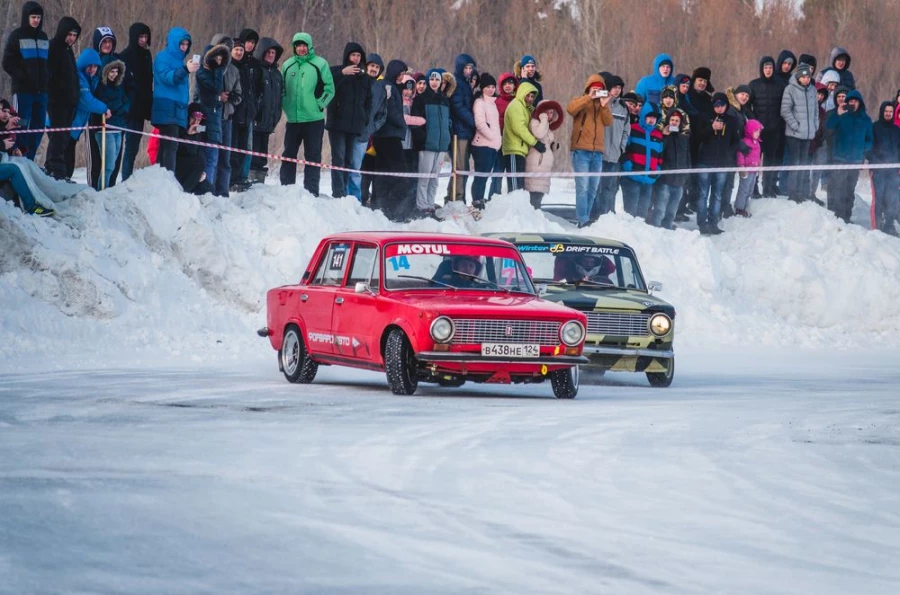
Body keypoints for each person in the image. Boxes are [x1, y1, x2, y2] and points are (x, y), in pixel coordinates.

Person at [280, 32, 334, 196]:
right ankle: (286, 189)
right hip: (293, 120)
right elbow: (281, 89)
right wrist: (286, 105)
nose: (301, 48)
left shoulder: (320, 64)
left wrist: (319, 104)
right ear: (294, 47)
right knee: (289, 154)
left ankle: (311, 191)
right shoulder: (287, 65)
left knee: (313, 156)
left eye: (304, 45)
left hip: (314, 120)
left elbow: (329, 88)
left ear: (309, 46)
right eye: (298, 45)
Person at [2, 1, 49, 160]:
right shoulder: (17, 36)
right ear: (26, 17)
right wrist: (22, 75)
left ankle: (29, 159)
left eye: (38, 17)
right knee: (21, 125)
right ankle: (18, 159)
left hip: (41, 92)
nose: (36, 20)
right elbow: (7, 62)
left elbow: (47, 63)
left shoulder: (44, 37)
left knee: (38, 127)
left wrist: (46, 79)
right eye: (33, 17)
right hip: (23, 91)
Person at [567, 74, 613, 227]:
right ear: (588, 88)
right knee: (583, 187)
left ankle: (585, 217)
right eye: (595, 88)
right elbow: (570, 109)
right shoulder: (580, 100)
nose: (597, 92)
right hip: (581, 151)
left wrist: (605, 104)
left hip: (597, 153)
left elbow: (608, 122)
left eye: (600, 89)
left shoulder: (602, 106)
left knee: (593, 188)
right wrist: (588, 97)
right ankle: (583, 219)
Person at [327, 42, 372, 198]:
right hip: (337, 124)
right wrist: (342, 73)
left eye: (359, 55)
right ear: (347, 56)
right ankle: (338, 193)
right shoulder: (336, 71)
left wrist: (364, 118)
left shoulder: (364, 78)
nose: (356, 58)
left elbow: (368, 101)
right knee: (338, 158)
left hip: (354, 125)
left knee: (348, 160)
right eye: (353, 55)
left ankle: (344, 192)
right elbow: (326, 87)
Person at [152, 27, 199, 172]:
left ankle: (161, 177)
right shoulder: (162, 57)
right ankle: (168, 179)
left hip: (178, 108)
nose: (184, 48)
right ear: (174, 43)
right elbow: (168, 78)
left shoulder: (180, 61)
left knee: (168, 145)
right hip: (166, 106)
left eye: (186, 44)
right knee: (170, 146)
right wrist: (185, 70)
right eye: (182, 44)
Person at [695, 93, 742, 234]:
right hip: (705, 162)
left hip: (722, 163)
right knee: (703, 194)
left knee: (717, 195)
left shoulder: (732, 121)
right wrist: (712, 128)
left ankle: (713, 222)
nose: (719, 108)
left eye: (722, 105)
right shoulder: (704, 117)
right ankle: (702, 224)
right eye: (716, 105)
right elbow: (697, 137)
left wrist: (728, 154)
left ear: (726, 105)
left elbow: (736, 141)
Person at [411, 69, 453, 219]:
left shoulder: (444, 100)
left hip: (441, 145)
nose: (435, 82)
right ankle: (421, 206)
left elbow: (448, 122)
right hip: (427, 145)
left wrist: (447, 138)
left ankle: (430, 204)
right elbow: (415, 123)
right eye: (432, 79)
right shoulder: (421, 99)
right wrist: (422, 139)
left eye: (437, 79)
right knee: (424, 177)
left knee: (434, 178)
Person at [826, 90, 872, 223]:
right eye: (850, 101)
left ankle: (846, 217)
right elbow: (828, 129)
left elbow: (870, 139)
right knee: (838, 188)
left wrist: (864, 149)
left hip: (856, 160)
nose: (852, 104)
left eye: (855, 101)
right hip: (840, 158)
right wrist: (838, 115)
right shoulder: (841, 116)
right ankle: (837, 217)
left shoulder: (866, 120)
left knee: (849, 190)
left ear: (859, 103)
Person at [43, 16, 80, 182]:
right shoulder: (54, 47)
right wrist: (60, 91)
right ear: (63, 32)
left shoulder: (68, 50)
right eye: (70, 34)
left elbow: (73, 75)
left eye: (75, 35)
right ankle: (55, 169)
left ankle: (57, 169)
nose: (72, 38)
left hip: (69, 102)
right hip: (57, 101)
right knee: (58, 137)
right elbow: (50, 75)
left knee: (64, 137)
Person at [370, 59, 408, 220]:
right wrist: (403, 123)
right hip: (388, 136)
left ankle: (381, 206)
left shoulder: (392, 86)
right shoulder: (388, 86)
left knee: (383, 171)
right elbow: (391, 112)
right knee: (398, 172)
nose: (402, 77)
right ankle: (391, 207)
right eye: (401, 74)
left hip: (386, 135)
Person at [192, 41, 231, 193]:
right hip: (204, 122)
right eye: (216, 58)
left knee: (213, 159)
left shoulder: (216, 74)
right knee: (206, 158)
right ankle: (205, 189)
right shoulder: (203, 73)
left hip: (215, 123)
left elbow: (217, 94)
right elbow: (214, 89)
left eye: (221, 59)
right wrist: (220, 70)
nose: (218, 62)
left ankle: (209, 188)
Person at [780, 63, 819, 203]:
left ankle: (801, 193)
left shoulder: (813, 90)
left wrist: (815, 126)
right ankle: (793, 193)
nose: (807, 79)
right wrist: (795, 125)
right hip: (794, 135)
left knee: (804, 164)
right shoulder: (790, 89)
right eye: (804, 77)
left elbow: (816, 111)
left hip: (808, 134)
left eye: (808, 77)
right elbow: (785, 110)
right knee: (795, 163)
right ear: (798, 77)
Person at [119, 22, 153, 181]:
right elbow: (122, 84)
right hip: (127, 109)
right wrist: (126, 104)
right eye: (140, 36)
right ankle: (123, 178)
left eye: (146, 37)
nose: (143, 40)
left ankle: (127, 178)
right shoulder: (125, 55)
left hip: (141, 109)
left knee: (133, 148)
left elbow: (148, 83)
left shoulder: (147, 55)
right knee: (121, 147)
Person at [69, 49, 110, 180]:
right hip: (69, 125)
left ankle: (65, 179)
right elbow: (86, 101)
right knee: (64, 158)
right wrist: (104, 108)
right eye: (89, 66)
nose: (92, 69)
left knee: (69, 156)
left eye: (95, 66)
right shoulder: (79, 78)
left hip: (75, 127)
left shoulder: (91, 80)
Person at [592, 72, 628, 219]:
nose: (617, 90)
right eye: (614, 87)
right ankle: (594, 216)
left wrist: (622, 148)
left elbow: (626, 130)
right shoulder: (601, 103)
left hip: (614, 156)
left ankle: (607, 217)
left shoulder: (623, 108)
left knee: (610, 188)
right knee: (596, 187)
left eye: (619, 87)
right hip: (599, 153)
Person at [749, 56, 786, 198]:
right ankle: (753, 188)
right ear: (761, 69)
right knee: (755, 160)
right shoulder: (754, 84)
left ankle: (768, 187)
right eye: (765, 67)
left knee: (771, 160)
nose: (768, 70)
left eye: (770, 67)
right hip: (757, 132)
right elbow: (747, 105)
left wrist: (780, 123)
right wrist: (753, 122)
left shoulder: (780, 85)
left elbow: (785, 105)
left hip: (775, 130)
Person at [249, 37, 284, 184]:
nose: (271, 55)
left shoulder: (277, 74)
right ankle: (250, 180)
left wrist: (276, 116)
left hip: (268, 122)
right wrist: (255, 114)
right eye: (268, 52)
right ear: (262, 53)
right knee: (252, 153)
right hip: (256, 120)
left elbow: (279, 98)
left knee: (263, 154)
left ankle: (259, 182)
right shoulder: (257, 70)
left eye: (273, 53)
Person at [620, 103, 663, 220]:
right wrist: (628, 166)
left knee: (642, 215)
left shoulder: (658, 135)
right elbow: (623, 149)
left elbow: (660, 156)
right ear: (643, 116)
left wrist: (657, 171)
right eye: (649, 116)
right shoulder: (632, 129)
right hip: (632, 178)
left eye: (654, 117)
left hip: (648, 180)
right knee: (630, 214)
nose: (651, 120)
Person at [650, 110, 691, 229]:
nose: (674, 123)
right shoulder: (660, 136)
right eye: (672, 120)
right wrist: (664, 136)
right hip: (664, 180)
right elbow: (658, 153)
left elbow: (688, 158)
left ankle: (667, 230)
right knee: (660, 209)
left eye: (677, 121)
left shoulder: (684, 138)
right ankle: (655, 229)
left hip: (679, 181)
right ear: (668, 121)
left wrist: (686, 176)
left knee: (672, 211)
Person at [230, 29, 260, 189]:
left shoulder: (251, 65)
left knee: (246, 148)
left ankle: (241, 177)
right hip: (234, 112)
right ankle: (233, 178)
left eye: (252, 43)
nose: (247, 46)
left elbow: (255, 90)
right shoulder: (231, 66)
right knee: (233, 147)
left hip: (248, 111)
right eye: (239, 48)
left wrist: (255, 109)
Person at [92, 60, 129, 190]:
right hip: (104, 130)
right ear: (105, 71)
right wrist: (117, 107)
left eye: (116, 72)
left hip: (118, 129)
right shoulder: (100, 87)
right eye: (111, 71)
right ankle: (101, 192)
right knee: (108, 167)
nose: (114, 74)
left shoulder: (119, 87)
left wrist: (116, 109)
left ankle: (107, 191)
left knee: (113, 166)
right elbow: (105, 105)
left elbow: (126, 104)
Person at [213, 35, 242, 197]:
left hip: (227, 119)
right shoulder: (209, 66)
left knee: (225, 159)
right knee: (210, 157)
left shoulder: (234, 70)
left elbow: (239, 96)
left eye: (228, 49)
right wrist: (218, 96)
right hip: (211, 117)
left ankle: (223, 193)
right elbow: (199, 94)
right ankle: (208, 190)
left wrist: (228, 97)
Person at [447, 53, 477, 203]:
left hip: (466, 131)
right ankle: (456, 198)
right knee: (459, 168)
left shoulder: (465, 84)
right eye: (466, 67)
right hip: (459, 132)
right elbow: (458, 107)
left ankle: (457, 197)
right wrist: (474, 121)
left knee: (463, 167)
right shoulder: (457, 83)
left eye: (471, 68)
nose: (469, 70)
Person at [501, 82, 540, 193]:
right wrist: (535, 143)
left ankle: (519, 207)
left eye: (532, 96)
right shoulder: (516, 106)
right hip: (513, 149)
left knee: (520, 183)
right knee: (514, 184)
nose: (530, 98)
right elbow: (519, 128)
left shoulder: (526, 108)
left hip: (520, 149)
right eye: (527, 95)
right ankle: (513, 206)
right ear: (522, 94)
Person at [868, 101, 900, 235]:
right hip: (878, 169)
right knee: (879, 198)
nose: (888, 114)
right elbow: (869, 147)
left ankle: (889, 225)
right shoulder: (875, 127)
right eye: (886, 111)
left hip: (893, 170)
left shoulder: (896, 130)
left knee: (893, 198)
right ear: (882, 112)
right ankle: (876, 227)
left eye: (890, 112)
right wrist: (875, 162)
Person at [471, 72, 501, 209]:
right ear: (482, 87)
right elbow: (481, 124)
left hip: (492, 146)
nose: (491, 89)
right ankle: (477, 201)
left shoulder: (493, 104)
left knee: (486, 176)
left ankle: (481, 199)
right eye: (488, 86)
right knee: (480, 176)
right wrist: (493, 137)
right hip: (482, 145)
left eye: (493, 87)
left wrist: (496, 141)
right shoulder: (479, 102)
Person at [525, 100, 562, 210]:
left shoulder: (548, 127)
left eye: (551, 112)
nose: (549, 115)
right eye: (547, 112)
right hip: (536, 164)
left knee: (539, 194)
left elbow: (546, 142)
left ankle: (536, 216)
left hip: (544, 167)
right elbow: (539, 134)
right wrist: (544, 118)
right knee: (534, 193)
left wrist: (554, 146)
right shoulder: (535, 122)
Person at [176, 103, 213, 195]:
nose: (195, 122)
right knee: (200, 161)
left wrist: (201, 172)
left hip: (193, 169)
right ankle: (184, 194)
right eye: (193, 118)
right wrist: (188, 135)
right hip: (179, 165)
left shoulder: (200, 132)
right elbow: (179, 149)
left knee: (209, 189)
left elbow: (200, 152)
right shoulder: (180, 128)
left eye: (199, 120)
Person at [734, 119, 764, 218]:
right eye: (756, 131)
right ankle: (739, 208)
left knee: (750, 189)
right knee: (744, 189)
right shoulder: (745, 142)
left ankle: (745, 207)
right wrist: (741, 167)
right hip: (746, 170)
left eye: (759, 131)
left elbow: (757, 156)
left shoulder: (757, 143)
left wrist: (759, 167)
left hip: (753, 171)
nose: (757, 133)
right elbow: (740, 155)